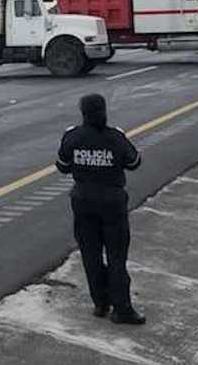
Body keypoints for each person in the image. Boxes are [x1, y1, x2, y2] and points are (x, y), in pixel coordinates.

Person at [56, 93, 145, 325]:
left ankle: (100, 303)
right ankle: (122, 308)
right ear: (104, 110)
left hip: (83, 200)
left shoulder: (72, 136)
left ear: (82, 112)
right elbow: (134, 162)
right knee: (116, 256)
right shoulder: (115, 137)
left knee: (91, 255)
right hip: (111, 200)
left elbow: (62, 166)